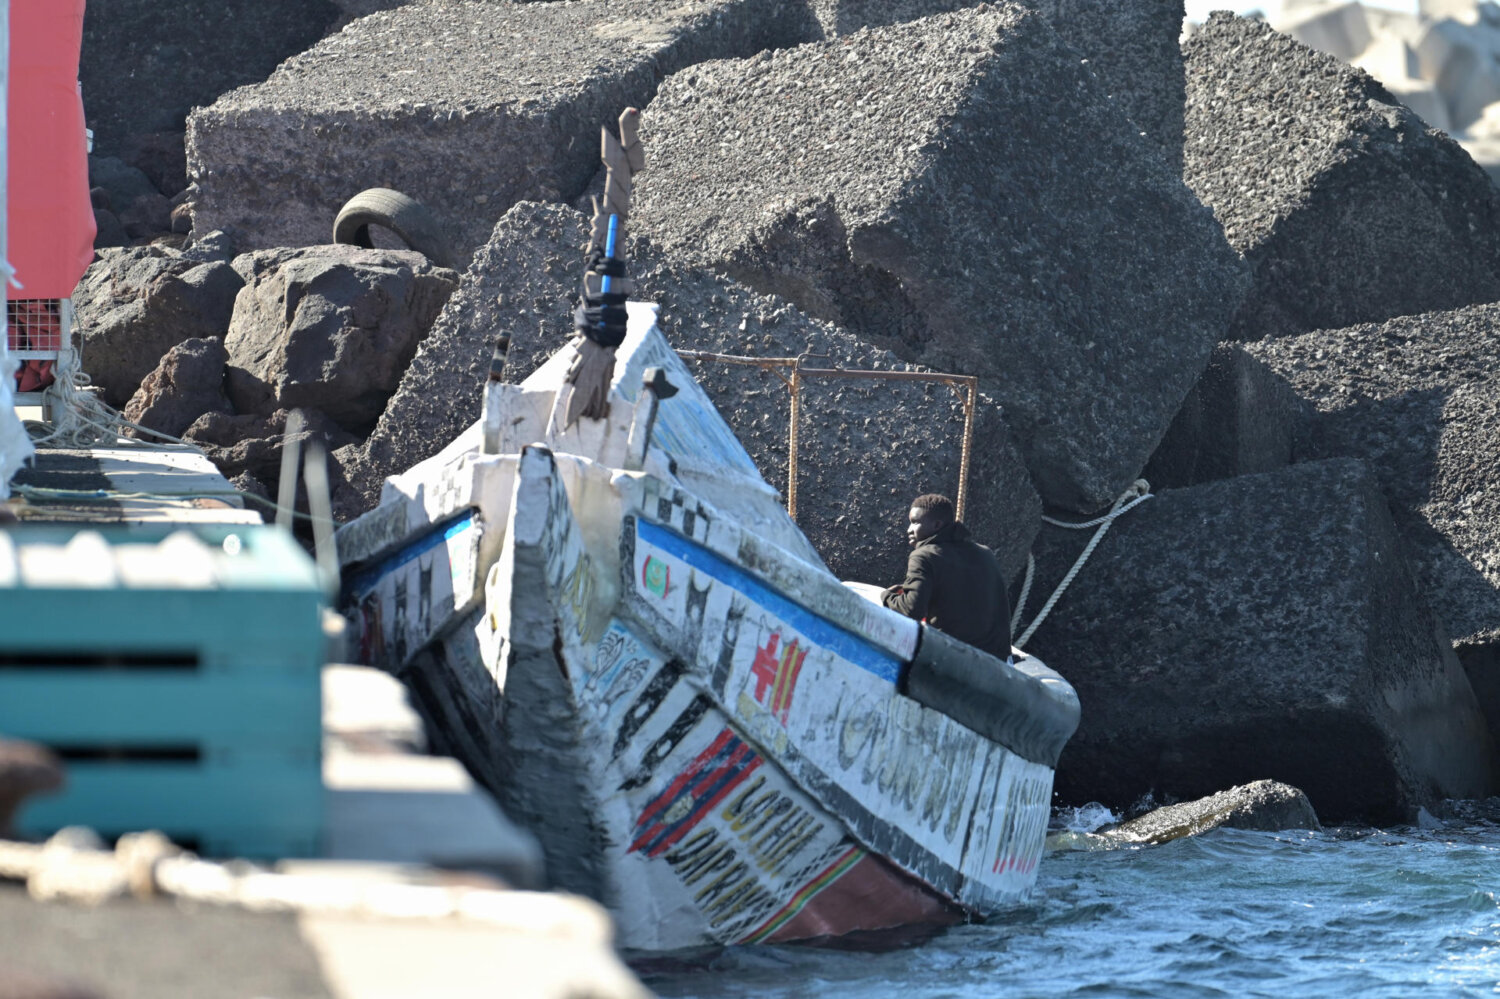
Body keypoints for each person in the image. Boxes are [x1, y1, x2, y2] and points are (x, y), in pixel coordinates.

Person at [881, 493, 1012, 659]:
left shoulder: (923, 556)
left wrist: (887, 597)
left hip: (954, 659)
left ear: (937, 525)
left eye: (915, 522)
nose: (909, 529)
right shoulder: (986, 553)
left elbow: (911, 609)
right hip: (999, 661)